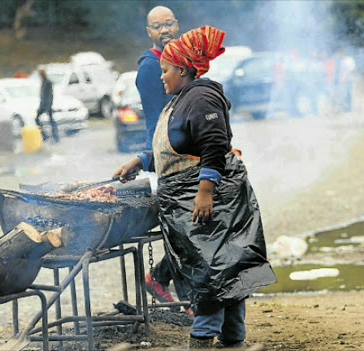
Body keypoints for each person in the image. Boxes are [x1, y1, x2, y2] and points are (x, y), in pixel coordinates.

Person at [114, 26, 276, 349]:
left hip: (209, 204)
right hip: (188, 201)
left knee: (210, 276)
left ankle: (203, 340)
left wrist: (205, 192)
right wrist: (141, 160)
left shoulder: (201, 97)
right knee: (225, 273)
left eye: (166, 71)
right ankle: (233, 340)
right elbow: (178, 145)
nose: (161, 77)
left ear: (184, 70)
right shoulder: (182, 100)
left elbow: (214, 144)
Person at [136, 5, 190, 310]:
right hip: (163, 156)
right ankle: (189, 300)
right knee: (179, 228)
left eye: (169, 24)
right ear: (149, 33)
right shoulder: (150, 67)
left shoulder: (181, 59)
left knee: (186, 226)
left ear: (177, 25)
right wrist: (149, 158)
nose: (164, 30)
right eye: (157, 26)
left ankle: (158, 278)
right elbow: (159, 119)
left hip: (183, 154)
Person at [36, 68, 59, 143]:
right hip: (44, 104)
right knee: (48, 121)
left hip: (46, 105)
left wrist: (47, 107)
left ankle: (54, 137)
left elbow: (49, 95)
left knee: (51, 121)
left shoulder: (48, 82)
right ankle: (47, 136)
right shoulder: (44, 82)